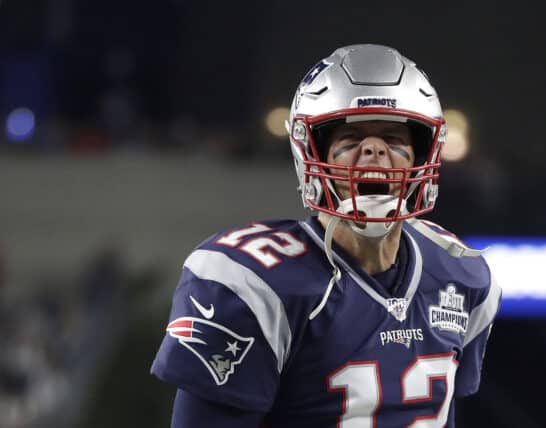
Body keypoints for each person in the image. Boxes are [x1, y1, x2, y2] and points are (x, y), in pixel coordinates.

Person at [151, 44, 501, 427]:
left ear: (424, 154)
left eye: (394, 138)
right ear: (310, 152)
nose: (373, 151)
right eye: (350, 139)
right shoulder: (252, 284)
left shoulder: (461, 275)